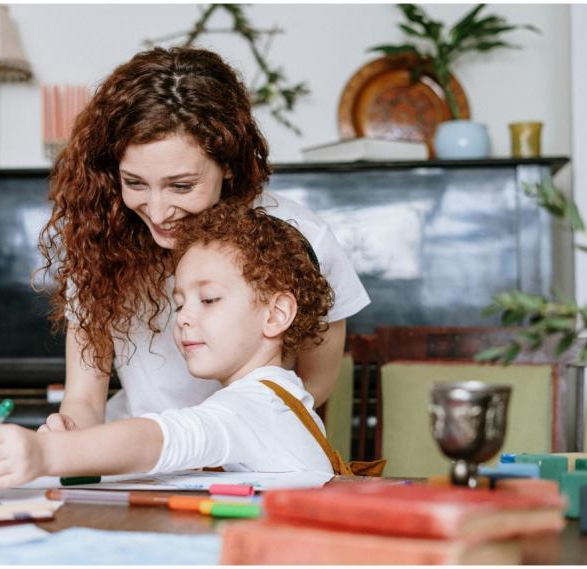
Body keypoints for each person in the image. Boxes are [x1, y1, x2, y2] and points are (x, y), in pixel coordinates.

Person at [38, 46, 369, 435]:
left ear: (228, 164)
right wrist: (68, 432)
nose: (158, 212)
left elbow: (315, 385)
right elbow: (85, 398)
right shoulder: (100, 240)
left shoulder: (302, 239)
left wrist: (222, 441)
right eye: (135, 183)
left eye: (181, 185)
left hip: (248, 451)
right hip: (136, 456)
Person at [0, 204, 337, 488]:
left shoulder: (255, 405)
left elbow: (160, 438)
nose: (182, 317)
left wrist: (46, 454)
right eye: (180, 302)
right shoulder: (274, 397)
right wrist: (80, 445)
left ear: (276, 313)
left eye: (209, 300)